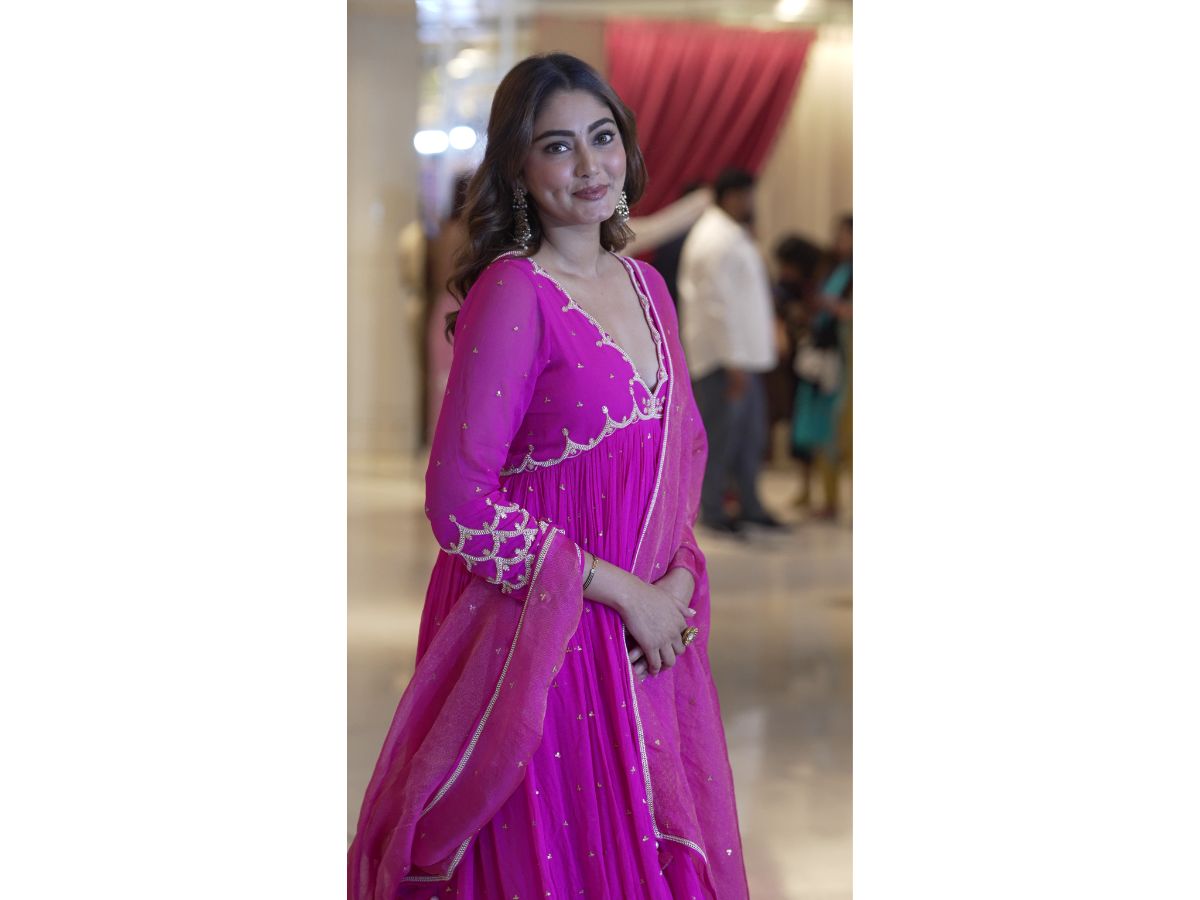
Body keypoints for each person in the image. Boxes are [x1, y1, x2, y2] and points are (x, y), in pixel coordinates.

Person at [349, 53, 749, 899]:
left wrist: (675, 583)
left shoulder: (648, 286)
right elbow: (459, 503)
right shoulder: (514, 291)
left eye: (603, 138)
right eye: (558, 147)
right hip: (545, 654)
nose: (590, 165)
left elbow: (679, 467)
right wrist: (625, 593)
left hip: (644, 645)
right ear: (519, 169)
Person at [677, 168, 784, 533]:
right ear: (731, 197)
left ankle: (750, 505)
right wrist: (732, 360)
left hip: (742, 357)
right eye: (746, 195)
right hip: (724, 360)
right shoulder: (714, 239)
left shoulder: (730, 234)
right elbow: (714, 305)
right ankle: (713, 509)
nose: (751, 203)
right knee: (721, 437)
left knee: (749, 437)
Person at [791, 214, 853, 519]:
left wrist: (834, 307)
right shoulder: (833, 269)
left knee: (838, 429)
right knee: (817, 428)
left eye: (847, 235)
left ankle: (833, 501)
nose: (842, 241)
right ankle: (822, 497)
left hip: (844, 359)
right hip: (824, 357)